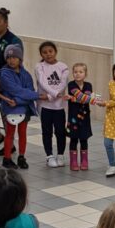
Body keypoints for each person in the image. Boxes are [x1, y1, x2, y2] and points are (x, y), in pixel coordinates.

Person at [0, 44, 39, 170]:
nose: (11, 60)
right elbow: (16, 90)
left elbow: (29, 92)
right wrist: (29, 96)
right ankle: (7, 158)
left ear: (20, 59)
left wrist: (17, 101)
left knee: (23, 133)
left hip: (24, 108)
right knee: (10, 134)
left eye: (15, 57)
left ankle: (21, 157)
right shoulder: (4, 74)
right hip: (10, 109)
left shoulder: (26, 75)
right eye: (9, 57)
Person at [36, 40, 69, 169]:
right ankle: (49, 156)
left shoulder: (63, 66)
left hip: (60, 106)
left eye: (50, 51)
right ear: (41, 54)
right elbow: (42, 82)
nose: (48, 54)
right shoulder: (39, 66)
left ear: (55, 52)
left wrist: (51, 95)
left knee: (60, 132)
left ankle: (60, 155)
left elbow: (63, 83)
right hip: (45, 106)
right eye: (44, 52)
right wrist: (53, 95)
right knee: (47, 132)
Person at [67, 62, 95, 172]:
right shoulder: (71, 85)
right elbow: (83, 97)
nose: (77, 74)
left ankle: (84, 160)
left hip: (85, 118)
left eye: (80, 72)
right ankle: (73, 161)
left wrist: (72, 98)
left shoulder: (88, 85)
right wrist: (92, 100)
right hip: (73, 117)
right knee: (73, 139)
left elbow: (86, 98)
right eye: (75, 72)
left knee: (84, 139)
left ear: (85, 74)